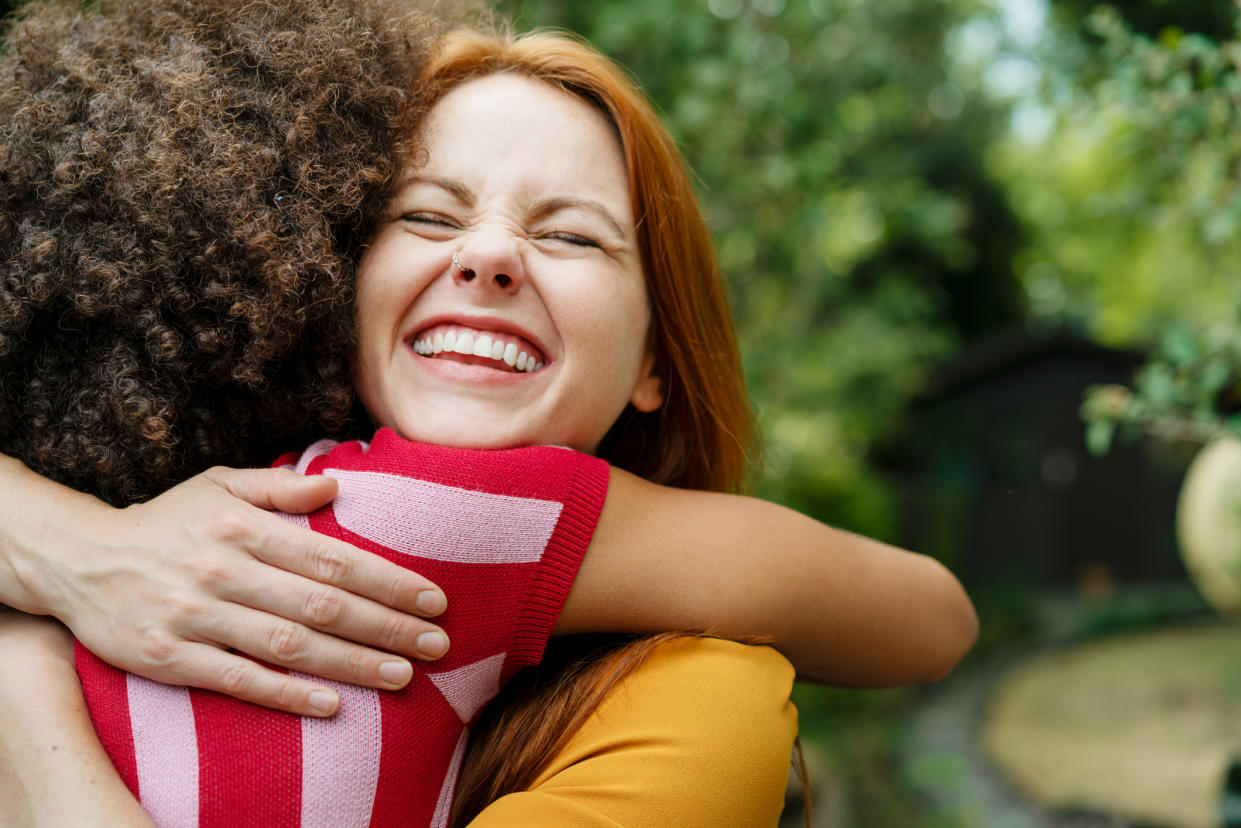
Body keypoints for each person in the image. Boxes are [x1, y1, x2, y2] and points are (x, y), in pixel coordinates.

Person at [0, 3, 978, 825]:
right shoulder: (452, 516)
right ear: (322, 272)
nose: (489, 256)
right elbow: (931, 619)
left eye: (571, 235)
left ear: (656, 359)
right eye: (425, 215)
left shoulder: (161, 518)